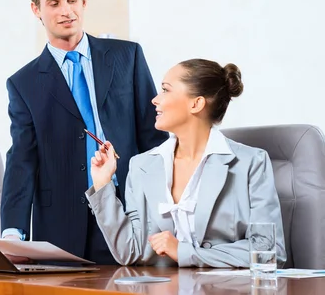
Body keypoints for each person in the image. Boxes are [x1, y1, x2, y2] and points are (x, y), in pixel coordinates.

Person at [0, 0, 168, 264]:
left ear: (84, 2)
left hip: (129, 208)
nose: (66, 11)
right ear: (36, 10)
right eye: (54, 3)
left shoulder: (127, 56)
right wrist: (14, 231)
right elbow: (22, 158)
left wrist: (166, 207)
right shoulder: (23, 83)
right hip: (61, 221)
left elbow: (153, 137)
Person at [87, 59, 286, 267]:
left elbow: (269, 251)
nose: (155, 99)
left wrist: (184, 252)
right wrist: (102, 183)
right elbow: (131, 252)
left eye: (165, 90)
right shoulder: (142, 166)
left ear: (196, 103)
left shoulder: (251, 163)